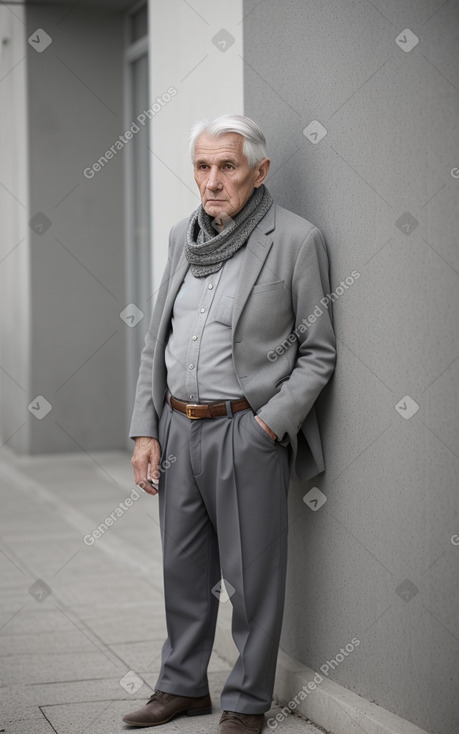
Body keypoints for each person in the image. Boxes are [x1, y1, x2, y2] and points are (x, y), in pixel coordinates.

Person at [122, 114, 336, 733]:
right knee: (183, 570)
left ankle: (247, 701)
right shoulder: (180, 239)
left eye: (228, 167)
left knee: (251, 580)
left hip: (245, 431)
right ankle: (183, 686)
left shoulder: (296, 240)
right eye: (202, 166)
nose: (212, 182)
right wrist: (145, 429)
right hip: (178, 428)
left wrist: (268, 426)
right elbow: (154, 340)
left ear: (259, 171)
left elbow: (318, 351)